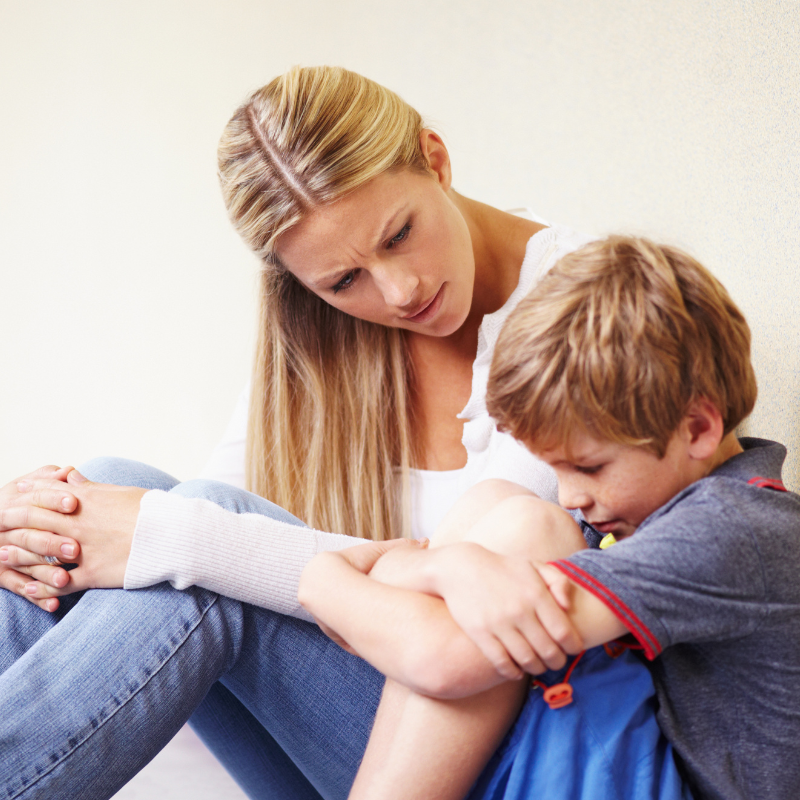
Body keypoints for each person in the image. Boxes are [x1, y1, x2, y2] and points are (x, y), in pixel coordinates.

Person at [0, 65, 593, 799]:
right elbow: (205, 507)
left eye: (400, 233)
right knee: (103, 495)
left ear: (435, 158)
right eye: (344, 281)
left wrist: (185, 539)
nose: (399, 291)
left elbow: (463, 615)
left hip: (490, 753)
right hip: (352, 739)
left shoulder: (588, 306)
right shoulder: (321, 332)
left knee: (195, 550)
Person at [301, 236, 800, 800]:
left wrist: (322, 580)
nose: (570, 496)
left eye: (589, 466)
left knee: (528, 529)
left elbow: (442, 661)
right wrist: (448, 571)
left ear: (698, 429)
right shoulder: (652, 518)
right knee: (496, 506)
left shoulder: (734, 529)